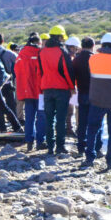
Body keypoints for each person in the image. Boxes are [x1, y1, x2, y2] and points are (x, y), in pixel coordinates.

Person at [82, 33, 111, 171]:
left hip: (97, 100)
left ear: (101, 44)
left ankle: (89, 159)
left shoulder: (93, 59)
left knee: (92, 129)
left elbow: (93, 75)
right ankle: (110, 161)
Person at [38, 25, 75, 155]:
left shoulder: (42, 52)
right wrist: (72, 87)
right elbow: (67, 71)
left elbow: (40, 71)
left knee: (49, 118)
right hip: (61, 89)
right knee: (60, 119)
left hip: (46, 89)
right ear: (60, 37)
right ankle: (60, 146)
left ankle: (50, 147)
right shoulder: (62, 52)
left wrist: (41, 88)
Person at [15, 32, 47, 151]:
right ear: (39, 43)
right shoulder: (41, 54)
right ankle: (40, 142)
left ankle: (29, 142)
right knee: (42, 117)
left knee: (29, 117)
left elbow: (17, 72)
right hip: (41, 91)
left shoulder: (21, 54)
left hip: (27, 92)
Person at [72, 37, 103, 156]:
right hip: (95, 94)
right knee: (97, 122)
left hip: (81, 93)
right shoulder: (95, 59)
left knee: (82, 122)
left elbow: (71, 77)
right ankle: (97, 148)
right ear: (93, 45)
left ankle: (80, 148)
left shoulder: (76, 60)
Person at [0, 33, 18, 115]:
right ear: (2, 41)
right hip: (7, 81)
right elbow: (19, 61)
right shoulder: (9, 53)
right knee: (11, 103)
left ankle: (2, 125)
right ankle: (14, 122)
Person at [64, 36, 81, 137]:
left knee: (72, 109)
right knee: (71, 110)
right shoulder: (69, 58)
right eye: (76, 48)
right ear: (71, 47)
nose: (77, 50)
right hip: (71, 88)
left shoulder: (68, 57)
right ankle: (70, 129)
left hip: (71, 88)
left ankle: (71, 128)